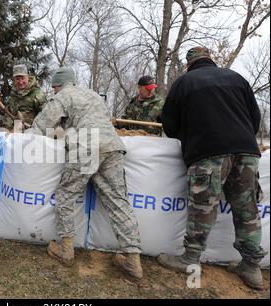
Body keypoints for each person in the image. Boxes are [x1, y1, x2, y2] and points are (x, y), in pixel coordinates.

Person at [158, 46, 266, 290]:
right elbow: (255, 118)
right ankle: (251, 266)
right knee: (246, 208)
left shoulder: (184, 83)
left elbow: (170, 125)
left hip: (208, 151)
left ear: (189, 64)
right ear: (211, 60)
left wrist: (189, 134)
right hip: (246, 151)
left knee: (203, 205)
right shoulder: (237, 79)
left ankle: (190, 257)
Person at [25, 67, 143, 281]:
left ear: (58, 85)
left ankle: (65, 249)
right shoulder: (93, 96)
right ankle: (132, 259)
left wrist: (22, 133)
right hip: (112, 146)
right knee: (118, 202)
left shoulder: (63, 96)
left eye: (53, 87)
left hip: (86, 146)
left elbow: (40, 126)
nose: (53, 91)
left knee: (65, 194)